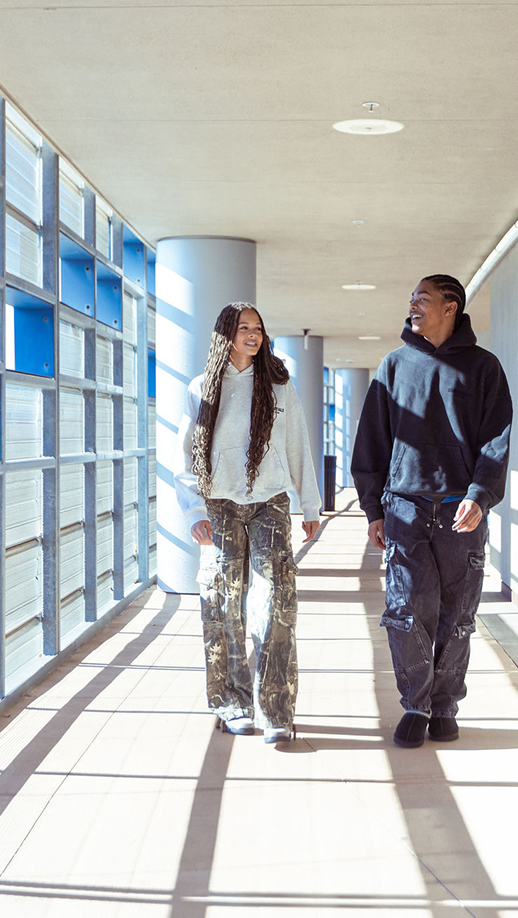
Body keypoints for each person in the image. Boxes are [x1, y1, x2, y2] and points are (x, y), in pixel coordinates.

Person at [351, 274, 512, 747]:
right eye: (411, 300)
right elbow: (371, 441)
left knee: (457, 615)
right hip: (405, 508)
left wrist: (480, 495)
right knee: (405, 610)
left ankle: (444, 705)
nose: (413, 306)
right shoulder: (394, 366)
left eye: (422, 299)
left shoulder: (484, 368)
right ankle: (415, 705)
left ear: (450, 306)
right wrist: (373, 509)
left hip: (462, 510)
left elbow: (496, 440)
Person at [174, 301, 322, 744]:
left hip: (269, 504)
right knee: (224, 604)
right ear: (226, 334)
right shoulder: (202, 386)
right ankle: (233, 703)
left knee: (275, 603)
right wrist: (194, 511)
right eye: (243, 328)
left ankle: (276, 710)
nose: (253, 335)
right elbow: (186, 453)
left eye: (258, 328)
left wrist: (310, 506)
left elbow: (297, 444)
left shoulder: (278, 384)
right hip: (218, 506)